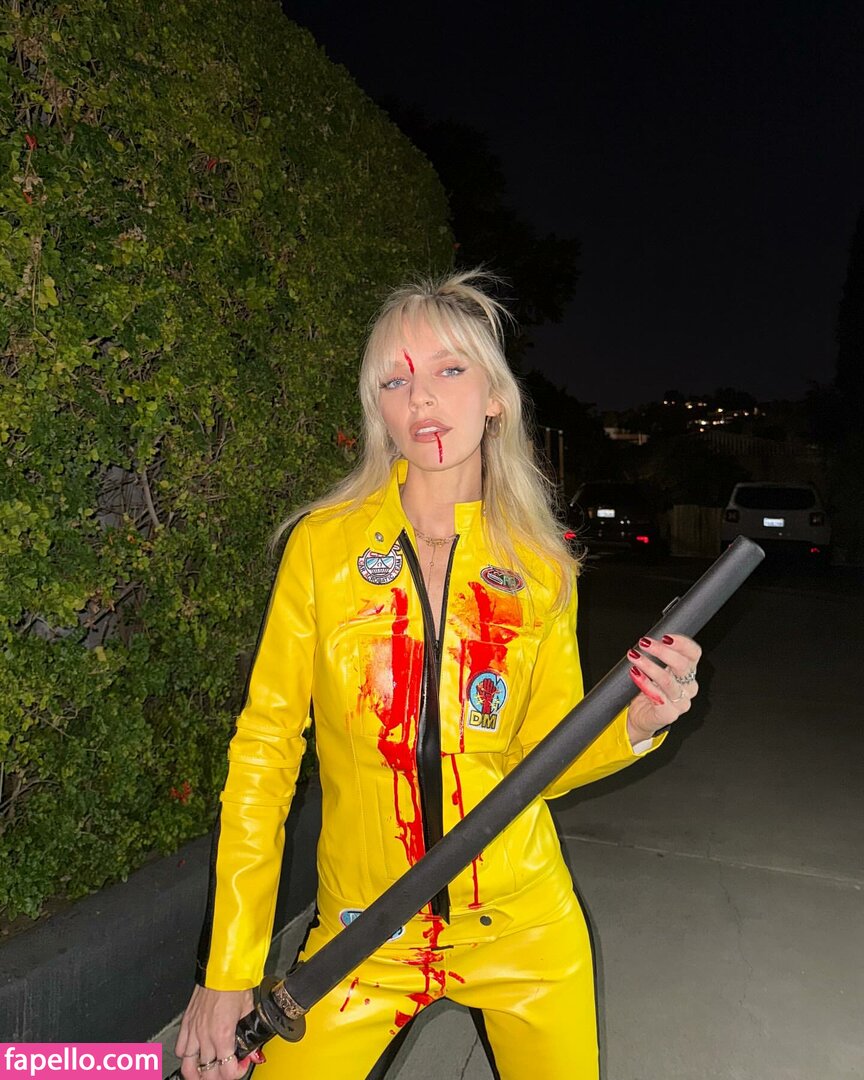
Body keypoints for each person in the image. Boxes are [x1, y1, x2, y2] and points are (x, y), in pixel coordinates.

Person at [176, 271, 701, 1080]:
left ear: (494, 397)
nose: (422, 397)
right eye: (396, 381)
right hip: (363, 934)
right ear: (378, 411)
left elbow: (543, 759)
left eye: (450, 370)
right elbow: (265, 752)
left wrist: (635, 723)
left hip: (523, 928)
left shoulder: (541, 566)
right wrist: (228, 969)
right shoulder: (323, 547)